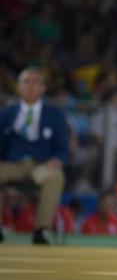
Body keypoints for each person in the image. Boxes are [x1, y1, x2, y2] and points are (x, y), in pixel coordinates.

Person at [0, 68, 68, 244]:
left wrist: (57, 160)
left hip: (41, 166)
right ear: (18, 87)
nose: (30, 86)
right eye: (26, 82)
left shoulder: (55, 115)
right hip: (12, 165)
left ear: (43, 88)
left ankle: (41, 230)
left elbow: (63, 149)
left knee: (56, 176)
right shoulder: (6, 114)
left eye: (35, 82)